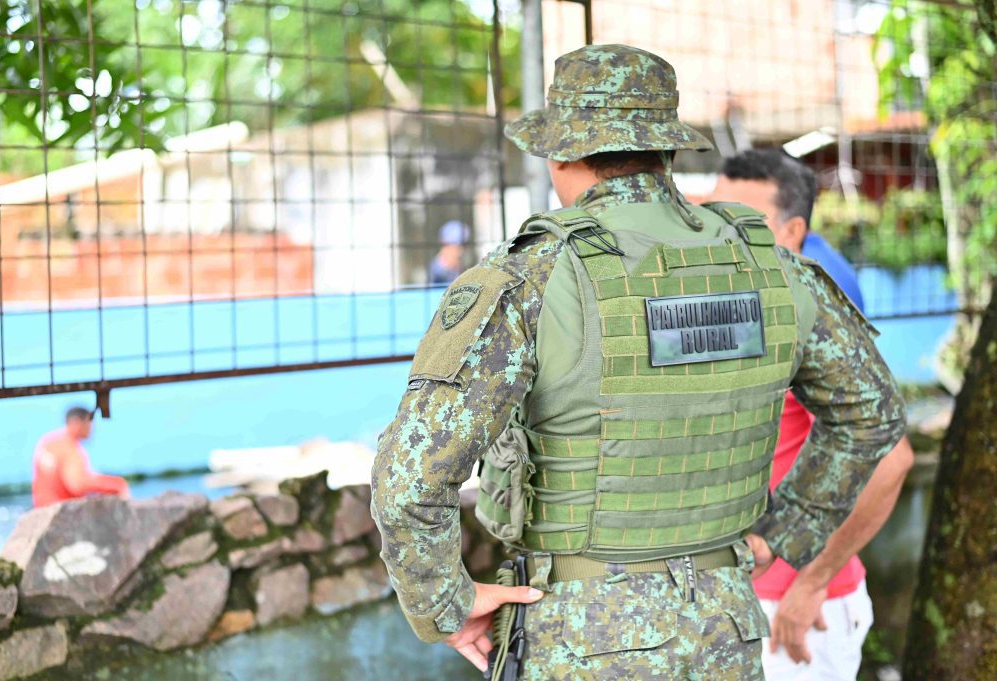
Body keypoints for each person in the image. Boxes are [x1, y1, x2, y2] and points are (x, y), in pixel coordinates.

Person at [371, 44, 905, 680]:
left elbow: (407, 479)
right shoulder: (773, 271)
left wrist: (446, 605)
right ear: (667, 151)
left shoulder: (529, 281)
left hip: (580, 638)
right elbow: (874, 413)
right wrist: (785, 533)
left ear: (560, 154)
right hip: (727, 633)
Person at [710, 148, 915, 680]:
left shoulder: (804, 312)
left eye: (741, 222)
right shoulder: (735, 303)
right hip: (739, 597)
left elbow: (892, 462)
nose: (719, 235)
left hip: (800, 612)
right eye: (712, 216)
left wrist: (812, 581)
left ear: (791, 230)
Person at [32, 407, 130, 507]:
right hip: (62, 510)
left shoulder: (47, 442)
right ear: (78, 422)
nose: (92, 428)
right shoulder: (69, 447)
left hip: (42, 507)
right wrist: (116, 485)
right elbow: (78, 484)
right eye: (89, 422)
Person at [429, 220, 471, 285]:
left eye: (464, 246)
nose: (461, 251)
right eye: (457, 246)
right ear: (445, 244)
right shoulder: (438, 272)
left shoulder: (457, 268)